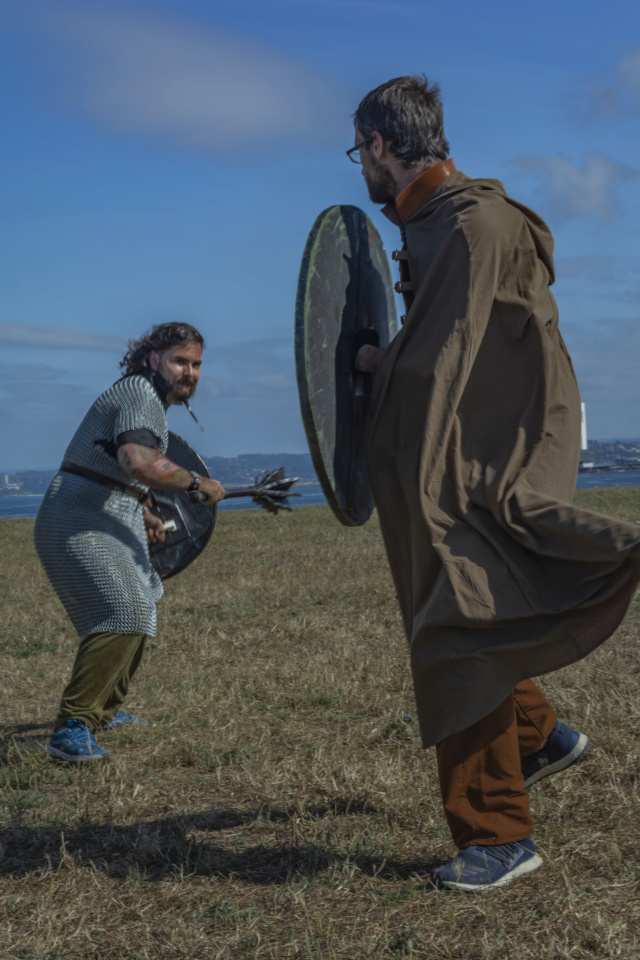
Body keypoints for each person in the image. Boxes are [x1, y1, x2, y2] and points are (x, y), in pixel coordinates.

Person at [349, 76, 640, 891]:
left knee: (456, 627)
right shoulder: (441, 222)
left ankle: (499, 837)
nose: (359, 170)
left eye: (358, 152)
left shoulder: (473, 226)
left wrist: (375, 361)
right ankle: (540, 735)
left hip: (489, 447)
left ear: (379, 143)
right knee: (474, 601)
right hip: (468, 438)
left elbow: (445, 357)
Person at [35, 322, 226, 762]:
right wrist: (197, 482)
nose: (190, 372)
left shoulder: (147, 399)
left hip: (101, 513)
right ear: (151, 358)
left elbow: (104, 462)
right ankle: (73, 727)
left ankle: (104, 711)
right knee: (124, 610)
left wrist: (143, 509)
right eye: (180, 361)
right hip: (76, 521)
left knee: (143, 599)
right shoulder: (139, 391)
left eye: (196, 364)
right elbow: (136, 460)